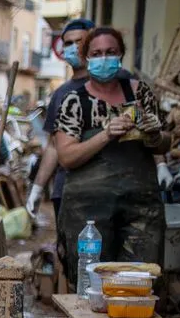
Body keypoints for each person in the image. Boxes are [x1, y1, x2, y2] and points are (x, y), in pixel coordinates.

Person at [52, 26, 170, 285]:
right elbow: (67, 157)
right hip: (89, 213)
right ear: (87, 58)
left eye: (111, 52)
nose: (104, 58)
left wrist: (154, 135)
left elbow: (164, 143)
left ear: (121, 55)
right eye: (97, 53)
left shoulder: (139, 93)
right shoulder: (75, 101)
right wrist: (106, 135)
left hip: (140, 207)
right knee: (92, 284)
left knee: (140, 282)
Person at [27, 18, 134, 263]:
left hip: (116, 188)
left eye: (79, 41)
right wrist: (37, 187)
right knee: (77, 260)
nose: (74, 48)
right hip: (71, 189)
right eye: (68, 43)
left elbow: (144, 126)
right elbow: (54, 147)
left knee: (116, 262)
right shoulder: (62, 94)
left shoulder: (124, 83)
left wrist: (159, 163)